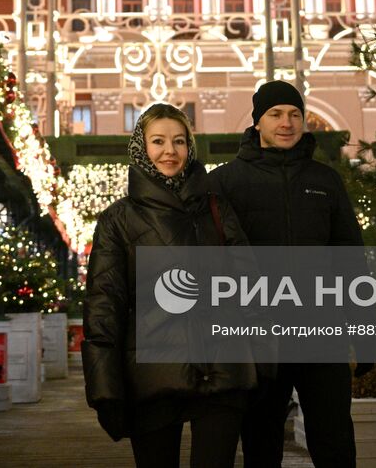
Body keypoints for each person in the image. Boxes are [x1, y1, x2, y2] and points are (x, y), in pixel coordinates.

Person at [83, 103, 257, 468]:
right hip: (152, 376)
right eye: (158, 141)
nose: (170, 151)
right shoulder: (119, 219)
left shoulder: (216, 209)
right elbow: (105, 303)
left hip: (221, 368)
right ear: (140, 147)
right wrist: (104, 386)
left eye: (179, 141)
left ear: (190, 147)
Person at [208, 80, 362, 468]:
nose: (286, 122)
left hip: (321, 332)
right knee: (261, 445)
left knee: (335, 443)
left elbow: (350, 258)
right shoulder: (224, 183)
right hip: (259, 338)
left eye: (295, 114)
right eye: (275, 114)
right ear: (257, 121)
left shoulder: (325, 181)